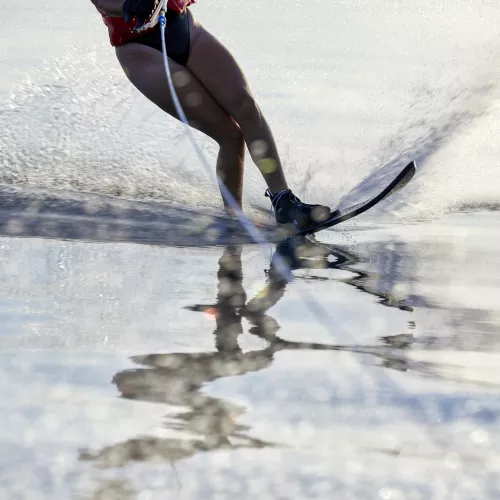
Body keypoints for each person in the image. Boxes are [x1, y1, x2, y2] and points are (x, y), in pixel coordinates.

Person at [90, 0, 332, 231]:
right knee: (229, 136)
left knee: (245, 107)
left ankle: (284, 203)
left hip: (184, 28)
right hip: (141, 51)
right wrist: (128, 5)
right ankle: (234, 221)